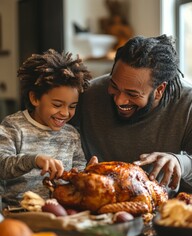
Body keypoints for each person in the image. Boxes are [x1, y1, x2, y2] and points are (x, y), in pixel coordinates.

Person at [71, 34, 192, 195]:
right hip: (92, 202)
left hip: (161, 210)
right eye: (113, 85)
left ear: (159, 90)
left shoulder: (187, 103)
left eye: (132, 94)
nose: (120, 100)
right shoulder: (87, 94)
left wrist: (181, 162)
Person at [0, 49, 95, 205]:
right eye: (57, 105)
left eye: (72, 106)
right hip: (17, 212)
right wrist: (34, 160)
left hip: (61, 211)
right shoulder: (13, 126)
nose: (65, 113)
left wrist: (87, 174)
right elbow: (2, 165)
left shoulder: (71, 134)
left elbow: (78, 170)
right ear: (35, 98)